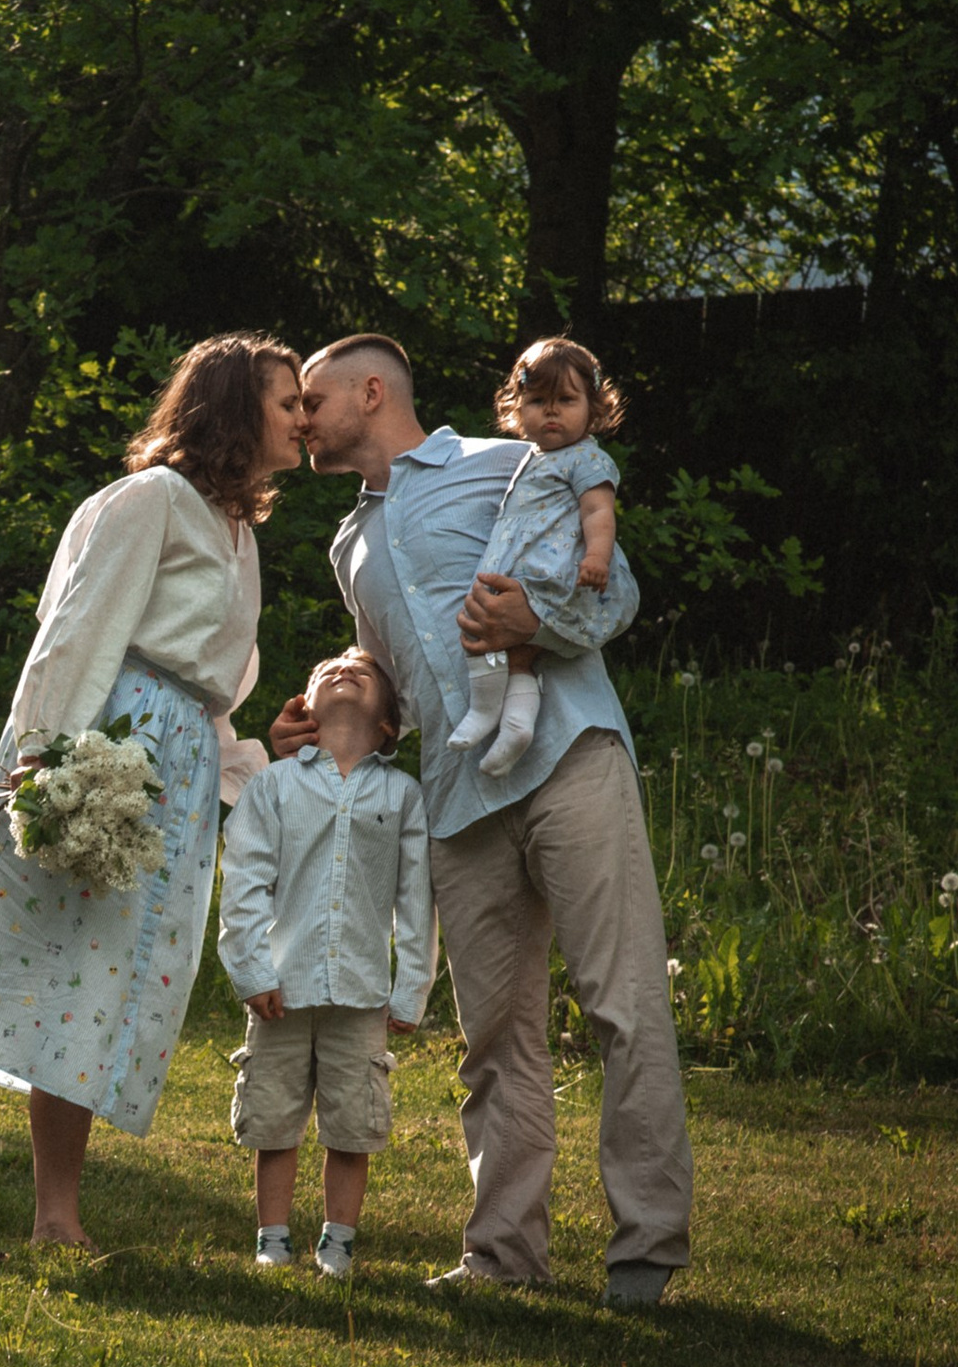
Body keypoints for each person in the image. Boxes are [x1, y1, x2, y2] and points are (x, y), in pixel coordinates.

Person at [272, 332, 691, 1309]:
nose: (297, 421)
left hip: (566, 755)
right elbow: (398, 682)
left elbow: (614, 586)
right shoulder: (349, 544)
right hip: (459, 797)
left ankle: (646, 1248)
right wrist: (328, 713)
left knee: (620, 1002)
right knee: (493, 1039)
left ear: (369, 392)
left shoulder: (505, 461)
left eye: (310, 402)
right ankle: (503, 1255)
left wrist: (533, 626)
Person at [0, 334, 305, 1250]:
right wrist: (39, 763)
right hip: (98, 743)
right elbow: (75, 631)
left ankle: (57, 1215)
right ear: (232, 409)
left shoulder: (239, 531)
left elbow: (210, 687)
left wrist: (253, 755)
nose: (303, 418)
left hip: (174, 761)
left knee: (95, 982)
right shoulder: (153, 501)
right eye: (286, 401)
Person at [217, 647, 430, 1277]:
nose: (343, 669)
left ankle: (338, 1243)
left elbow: (415, 901)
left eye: (362, 674)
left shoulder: (403, 795)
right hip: (281, 988)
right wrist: (251, 970)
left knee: (353, 1123)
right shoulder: (273, 786)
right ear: (304, 709)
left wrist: (410, 989)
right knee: (274, 1118)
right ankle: (273, 1238)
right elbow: (245, 880)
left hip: (362, 993)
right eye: (328, 670)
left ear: (388, 724)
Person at [447, 337, 632, 779]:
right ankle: (514, 727)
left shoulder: (585, 458)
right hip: (521, 573)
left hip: (551, 574)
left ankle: (486, 712)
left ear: (594, 408)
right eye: (537, 400)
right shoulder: (531, 458)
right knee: (513, 654)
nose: (551, 412)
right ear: (517, 407)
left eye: (566, 400)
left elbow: (598, 511)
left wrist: (598, 558)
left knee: (494, 640)